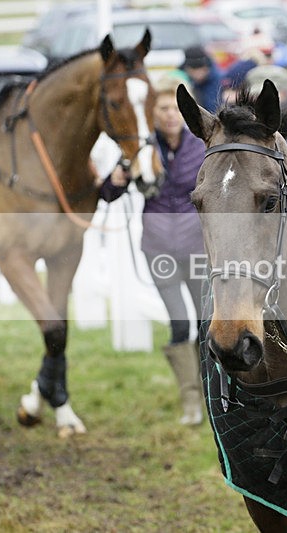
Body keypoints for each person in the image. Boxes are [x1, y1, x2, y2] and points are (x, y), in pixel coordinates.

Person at [100, 75, 205, 426]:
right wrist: (116, 180)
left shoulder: (202, 146)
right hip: (159, 248)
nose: (171, 114)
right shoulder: (142, 149)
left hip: (199, 247)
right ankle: (191, 399)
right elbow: (108, 193)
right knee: (179, 321)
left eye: (176, 107)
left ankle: (215, 393)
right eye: (163, 108)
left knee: (208, 321)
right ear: (153, 112)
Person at [179, 45, 223, 113]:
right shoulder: (181, 77)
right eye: (193, 71)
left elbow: (214, 108)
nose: (198, 75)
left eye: (201, 70)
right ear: (187, 69)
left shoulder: (218, 79)